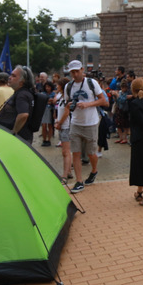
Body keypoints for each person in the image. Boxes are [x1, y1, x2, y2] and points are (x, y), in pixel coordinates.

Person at [64, 60, 109, 192]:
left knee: (91, 153)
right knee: (76, 153)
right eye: (72, 72)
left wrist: (87, 104)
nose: (75, 74)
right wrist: (68, 106)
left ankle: (94, 171)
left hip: (91, 123)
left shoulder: (91, 83)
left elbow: (103, 101)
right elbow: (67, 102)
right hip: (75, 123)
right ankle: (79, 181)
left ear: (82, 70)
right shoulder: (69, 86)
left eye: (77, 71)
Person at [0, 65, 36, 143]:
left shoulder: (22, 95)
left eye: (13, 76)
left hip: (19, 138)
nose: (10, 77)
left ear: (22, 81)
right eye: (11, 75)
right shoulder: (23, 93)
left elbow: (23, 114)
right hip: (22, 137)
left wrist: (14, 131)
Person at [54, 79, 74, 186]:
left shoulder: (67, 98)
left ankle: (65, 175)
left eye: (58, 85)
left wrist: (59, 123)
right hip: (62, 126)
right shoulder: (60, 97)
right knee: (65, 151)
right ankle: (69, 172)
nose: (56, 86)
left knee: (66, 152)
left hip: (66, 127)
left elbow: (66, 112)